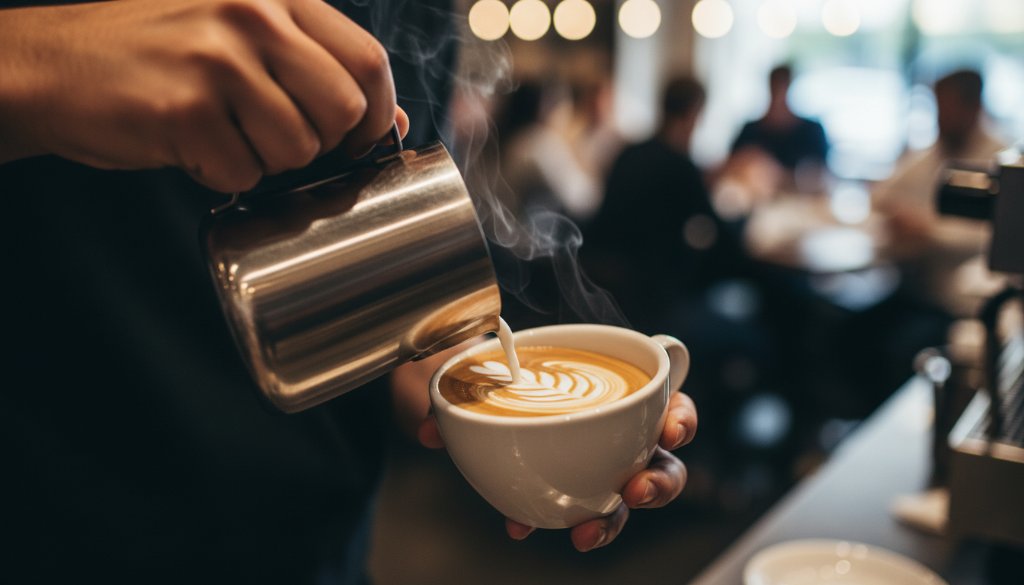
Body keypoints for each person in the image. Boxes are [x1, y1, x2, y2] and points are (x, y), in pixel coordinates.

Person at [0, 1, 697, 582]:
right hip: (59, 529)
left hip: (324, 545)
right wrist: (37, 59)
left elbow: (404, 317)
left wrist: (526, 433)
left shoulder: (420, 17)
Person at [873, 69, 1007, 314]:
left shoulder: (1000, 161)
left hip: (960, 302)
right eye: (937, 106)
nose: (940, 117)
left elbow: (992, 238)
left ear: (974, 107)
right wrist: (901, 214)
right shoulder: (937, 152)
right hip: (917, 286)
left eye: (947, 107)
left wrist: (927, 229)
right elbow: (882, 194)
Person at [730, 65, 829, 192]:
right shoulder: (751, 131)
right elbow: (732, 166)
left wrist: (777, 175)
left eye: (783, 86)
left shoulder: (811, 131)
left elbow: (822, 174)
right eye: (775, 87)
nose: (779, 94)